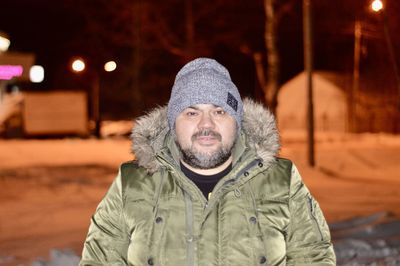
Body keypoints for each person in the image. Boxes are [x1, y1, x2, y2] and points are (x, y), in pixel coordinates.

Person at [80, 58, 336, 265]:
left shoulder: (281, 180)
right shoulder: (132, 184)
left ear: (236, 122)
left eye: (219, 111)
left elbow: (313, 256)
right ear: (173, 124)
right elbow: (100, 260)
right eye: (192, 112)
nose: (206, 125)